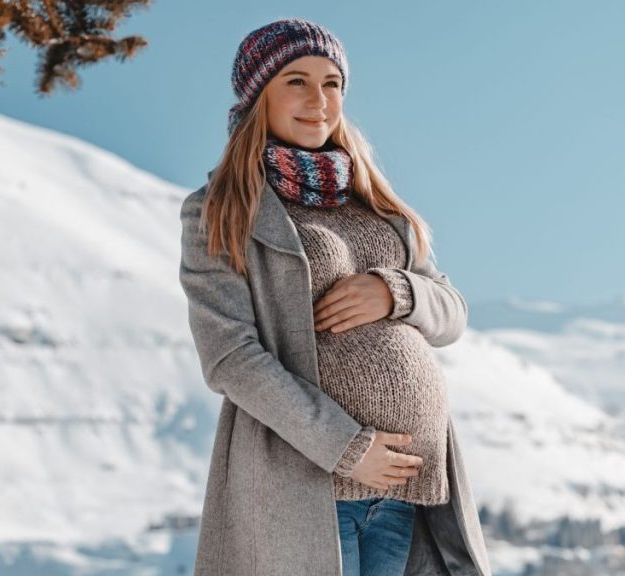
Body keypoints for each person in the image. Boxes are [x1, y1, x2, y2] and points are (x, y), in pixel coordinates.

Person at [178, 17, 492, 576]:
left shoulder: (375, 202)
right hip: (307, 484)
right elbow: (229, 357)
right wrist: (346, 447)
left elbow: (452, 314)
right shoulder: (222, 209)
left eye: (332, 84)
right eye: (295, 81)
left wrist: (396, 291)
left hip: (405, 488)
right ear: (259, 97)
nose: (318, 100)